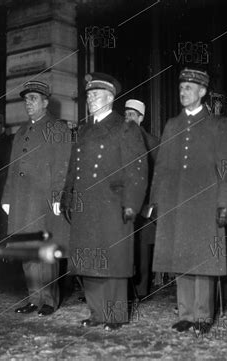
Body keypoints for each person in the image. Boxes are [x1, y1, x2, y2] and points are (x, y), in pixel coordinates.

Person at [149, 68, 227, 333]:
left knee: (202, 261)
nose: (183, 91)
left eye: (189, 87)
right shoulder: (172, 125)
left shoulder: (218, 125)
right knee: (181, 258)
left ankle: (202, 316)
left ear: (202, 92)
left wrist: (226, 203)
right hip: (176, 202)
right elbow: (162, 167)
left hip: (205, 204)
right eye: (181, 87)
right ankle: (185, 314)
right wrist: (155, 202)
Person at [61, 73, 148, 331]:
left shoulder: (126, 127)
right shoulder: (85, 129)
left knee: (113, 262)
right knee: (89, 260)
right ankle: (97, 312)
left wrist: (131, 203)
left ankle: (115, 315)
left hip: (113, 203)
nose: (90, 99)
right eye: (88, 95)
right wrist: (67, 197)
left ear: (110, 98)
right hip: (86, 203)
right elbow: (72, 167)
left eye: (95, 95)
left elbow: (137, 171)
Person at [1, 80, 71, 317]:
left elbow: (63, 165)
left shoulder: (57, 128)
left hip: (43, 200)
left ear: (45, 102)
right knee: (26, 249)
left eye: (33, 98)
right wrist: (7, 197)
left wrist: (57, 196)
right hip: (21, 199)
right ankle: (34, 298)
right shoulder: (21, 131)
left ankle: (49, 300)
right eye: (26, 99)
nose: (28, 103)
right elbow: (12, 167)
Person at [124, 99, 159, 299]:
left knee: (143, 248)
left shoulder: (152, 142)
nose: (128, 118)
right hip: (125, 203)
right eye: (126, 114)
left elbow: (158, 175)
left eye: (132, 115)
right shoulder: (118, 140)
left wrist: (150, 206)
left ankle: (142, 290)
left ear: (141, 118)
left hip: (145, 205)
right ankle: (126, 289)